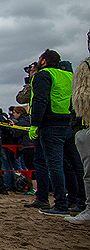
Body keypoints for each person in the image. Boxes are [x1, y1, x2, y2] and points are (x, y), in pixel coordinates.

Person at [29, 49, 83, 216]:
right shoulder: (69, 76)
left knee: (55, 165)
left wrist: (35, 124)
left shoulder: (43, 75)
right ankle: (78, 200)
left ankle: (60, 203)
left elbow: (40, 99)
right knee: (75, 165)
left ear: (44, 61)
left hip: (51, 125)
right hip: (70, 123)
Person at [68, 29, 90, 224]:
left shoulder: (86, 67)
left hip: (85, 124)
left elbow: (81, 98)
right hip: (74, 125)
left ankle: (86, 207)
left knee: (87, 169)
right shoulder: (68, 74)